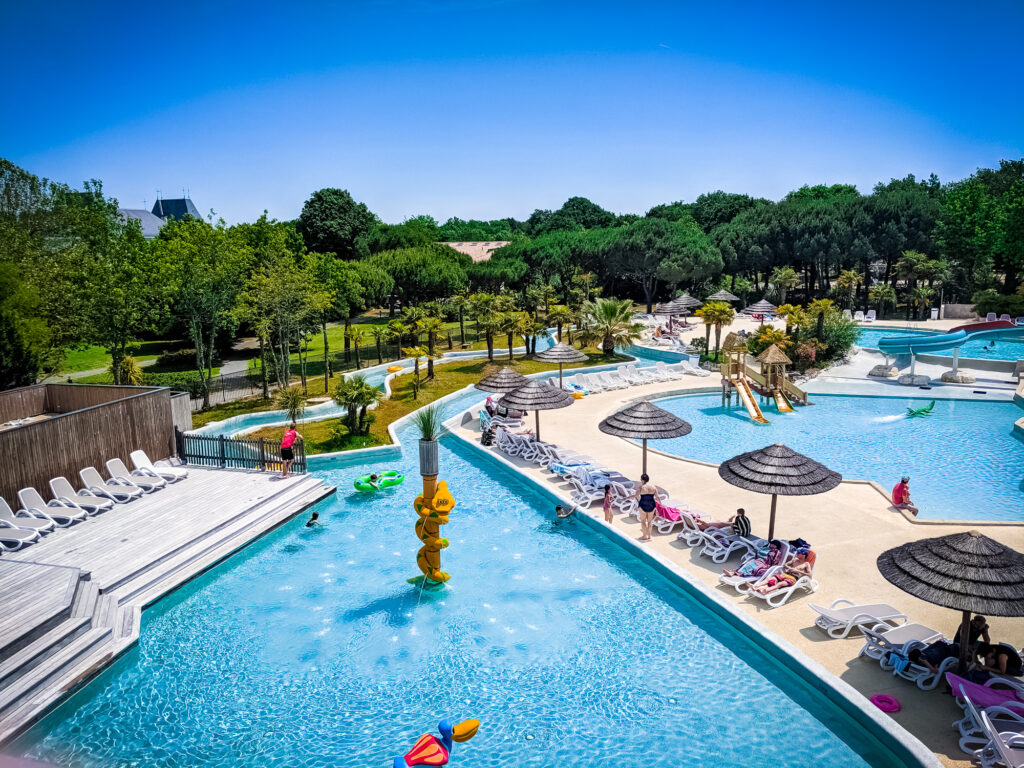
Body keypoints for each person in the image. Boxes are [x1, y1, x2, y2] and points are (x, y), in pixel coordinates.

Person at [634, 474, 658, 541]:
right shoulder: (653, 487)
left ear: (642, 480)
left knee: (643, 521)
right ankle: (649, 536)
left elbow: (636, 495)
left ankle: (644, 536)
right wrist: (660, 505)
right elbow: (657, 497)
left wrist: (639, 501)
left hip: (643, 505)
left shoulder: (641, 487)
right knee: (650, 522)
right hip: (652, 505)